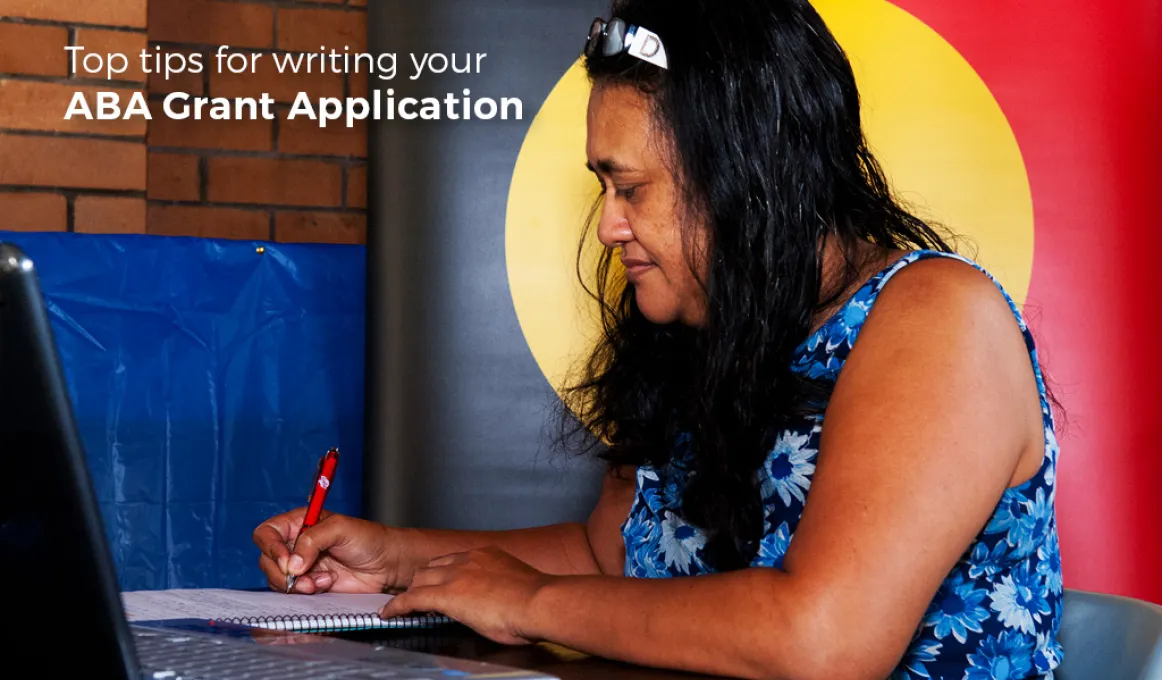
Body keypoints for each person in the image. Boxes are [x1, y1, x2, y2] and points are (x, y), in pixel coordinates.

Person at [254, 1, 1064, 678]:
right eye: (603, 187)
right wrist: (399, 563)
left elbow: (824, 636)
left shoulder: (937, 319)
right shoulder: (705, 325)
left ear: (748, 176)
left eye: (631, 188)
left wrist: (526, 602)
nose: (607, 225)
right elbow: (613, 560)